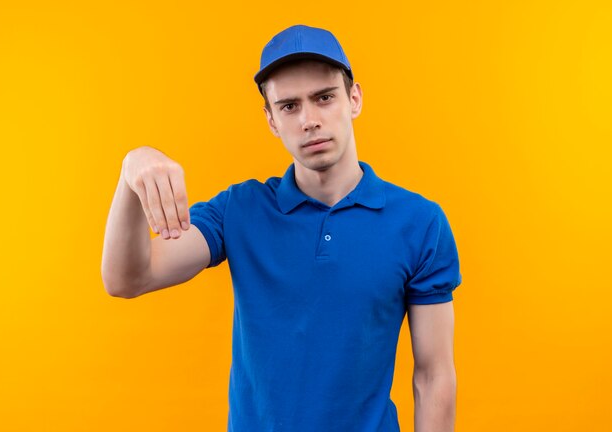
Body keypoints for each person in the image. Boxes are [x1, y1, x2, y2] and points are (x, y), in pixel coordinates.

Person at [101, 24, 462, 432]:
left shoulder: (419, 223)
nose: (309, 120)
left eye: (324, 98)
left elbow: (433, 377)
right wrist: (131, 169)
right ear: (271, 120)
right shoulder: (237, 210)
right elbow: (126, 278)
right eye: (289, 106)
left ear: (354, 99)